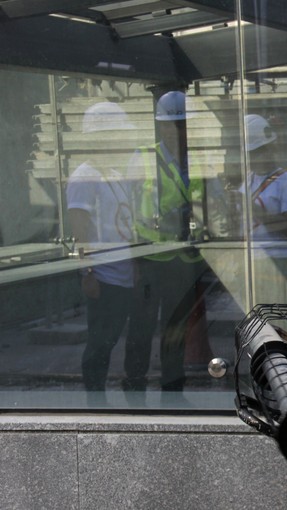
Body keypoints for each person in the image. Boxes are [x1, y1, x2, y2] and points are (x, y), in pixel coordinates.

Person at [125, 90, 210, 401]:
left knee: (174, 328)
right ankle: (133, 386)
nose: (178, 131)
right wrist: (133, 260)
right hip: (150, 258)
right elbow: (130, 211)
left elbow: (204, 207)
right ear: (161, 127)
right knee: (142, 328)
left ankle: (172, 389)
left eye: (183, 124)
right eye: (172, 125)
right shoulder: (144, 158)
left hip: (184, 259)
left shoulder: (197, 159)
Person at [67, 102, 137, 406]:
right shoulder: (85, 177)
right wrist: (88, 272)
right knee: (99, 343)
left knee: (110, 340)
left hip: (122, 274)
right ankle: (96, 400)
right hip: (104, 275)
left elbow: (124, 224)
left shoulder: (112, 173)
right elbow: (80, 230)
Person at [239, 113, 287, 304]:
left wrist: (254, 210)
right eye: (253, 153)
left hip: (281, 260)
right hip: (254, 259)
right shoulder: (248, 180)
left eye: (261, 150)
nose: (257, 157)